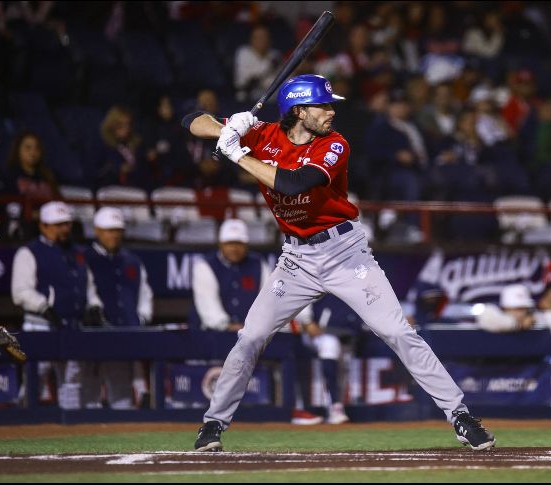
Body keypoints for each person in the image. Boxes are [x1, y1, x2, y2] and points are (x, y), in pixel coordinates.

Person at [182, 74, 495, 452]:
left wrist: (236, 153)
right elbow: (191, 120)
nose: (331, 112)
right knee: (250, 336)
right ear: (298, 111)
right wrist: (228, 125)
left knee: (397, 332)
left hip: (344, 253)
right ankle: (213, 424)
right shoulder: (262, 135)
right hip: (296, 258)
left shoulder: (335, 144)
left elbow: (294, 184)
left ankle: (460, 415)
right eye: (323, 106)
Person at [191, 218, 349, 425]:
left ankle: (293, 408)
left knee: (288, 343)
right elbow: (208, 307)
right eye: (230, 243)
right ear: (221, 244)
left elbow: (273, 298)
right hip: (216, 333)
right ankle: (217, 414)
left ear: (246, 244)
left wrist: (263, 325)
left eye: (239, 243)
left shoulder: (258, 264)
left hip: (251, 331)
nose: (235, 248)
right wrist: (226, 324)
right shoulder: (206, 265)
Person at [10, 201, 104, 408]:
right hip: (40, 324)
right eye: (58, 224)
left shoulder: (78, 253)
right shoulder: (29, 252)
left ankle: (70, 430)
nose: (64, 229)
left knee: (72, 381)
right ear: (43, 225)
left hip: (71, 325)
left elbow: (89, 288)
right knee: (36, 378)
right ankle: (23, 426)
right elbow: (20, 291)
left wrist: (94, 306)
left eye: (67, 224)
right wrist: (44, 306)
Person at [84, 207, 153, 408]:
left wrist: (143, 317)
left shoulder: (131, 260)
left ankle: (119, 430)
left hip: (127, 330)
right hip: (96, 332)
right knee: (89, 387)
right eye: (108, 230)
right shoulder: (86, 257)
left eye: (117, 230)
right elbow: (86, 290)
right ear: (97, 230)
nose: (113, 234)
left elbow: (145, 292)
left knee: (121, 386)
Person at [475, 281, 551, 374]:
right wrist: (516, 325)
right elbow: (485, 317)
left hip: (528, 374)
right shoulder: (494, 315)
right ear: (504, 308)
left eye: (523, 308)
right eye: (516, 309)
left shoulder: (535, 318)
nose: (520, 313)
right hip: (493, 371)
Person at [4, 131, 61, 200]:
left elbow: (58, 201)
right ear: (17, 150)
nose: (33, 152)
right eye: (28, 148)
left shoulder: (47, 176)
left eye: (37, 148)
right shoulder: (10, 176)